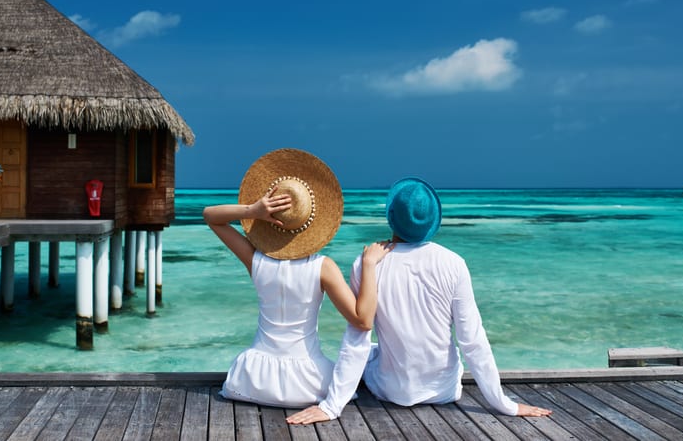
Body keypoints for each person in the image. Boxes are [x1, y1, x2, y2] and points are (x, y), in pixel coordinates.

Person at [287, 177, 552, 425]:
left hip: (391, 392)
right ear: (432, 220)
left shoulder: (366, 263)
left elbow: (356, 340)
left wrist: (331, 406)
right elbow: (473, 341)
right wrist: (505, 404)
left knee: (370, 350)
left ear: (391, 218)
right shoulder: (454, 264)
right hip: (445, 390)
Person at [203, 148, 391, 419]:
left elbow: (210, 216)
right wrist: (370, 265)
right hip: (308, 384)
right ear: (312, 221)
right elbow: (363, 321)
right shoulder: (322, 267)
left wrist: (253, 210)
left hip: (251, 381)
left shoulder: (255, 261)